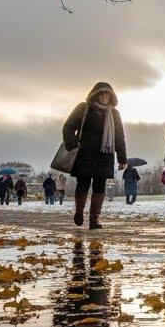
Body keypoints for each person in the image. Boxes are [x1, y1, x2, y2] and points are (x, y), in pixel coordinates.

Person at [62, 82, 127, 229]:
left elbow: (119, 137)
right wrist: (73, 145)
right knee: (83, 184)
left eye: (107, 94)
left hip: (105, 155)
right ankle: (79, 213)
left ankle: (94, 219)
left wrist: (122, 158)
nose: (104, 96)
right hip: (84, 153)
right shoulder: (83, 108)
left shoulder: (114, 114)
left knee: (100, 187)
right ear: (95, 94)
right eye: (101, 93)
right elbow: (68, 127)